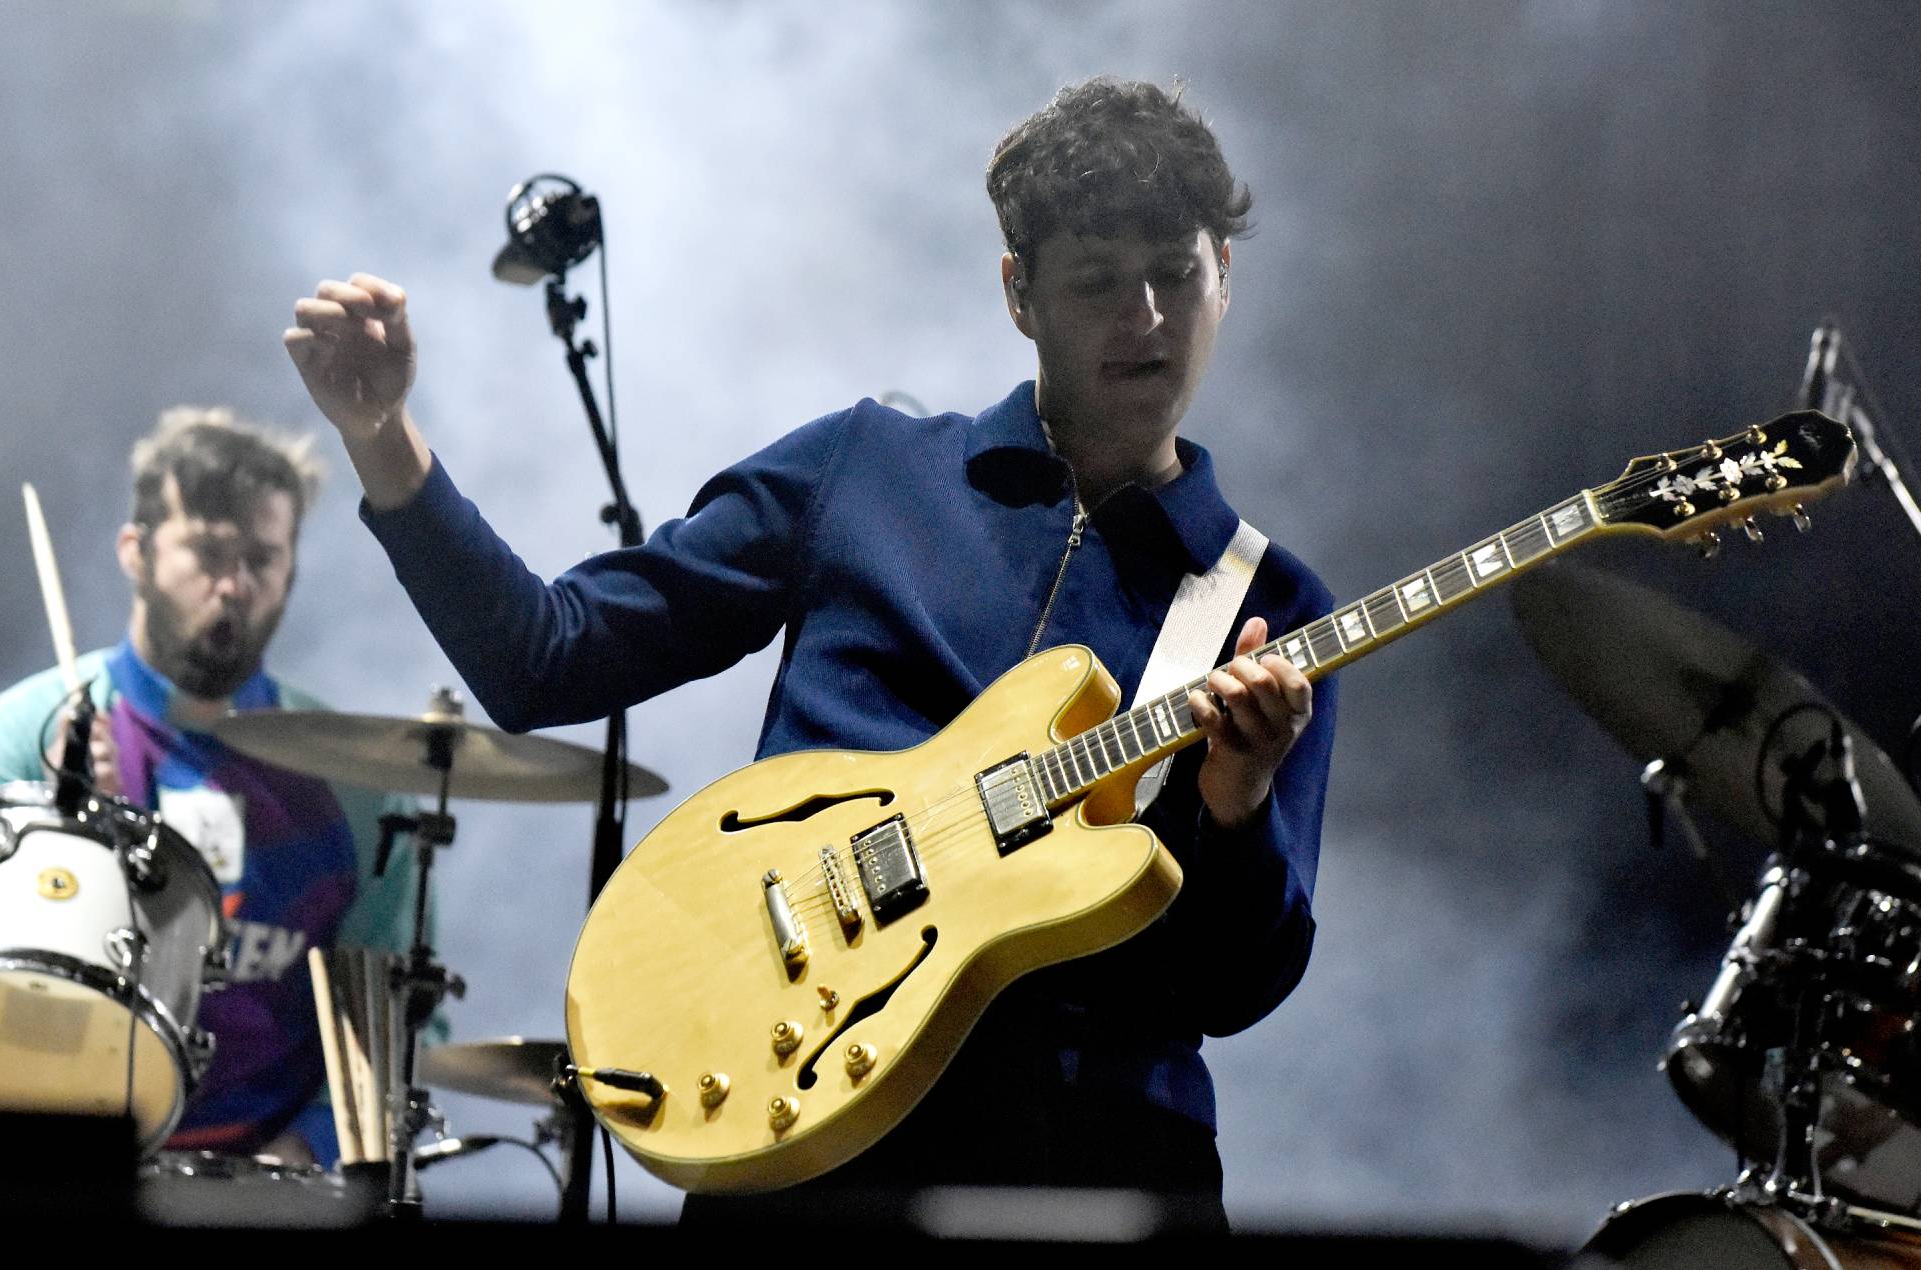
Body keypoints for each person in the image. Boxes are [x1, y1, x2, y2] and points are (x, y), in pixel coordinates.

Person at [285, 77, 1335, 1228]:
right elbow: (549, 656)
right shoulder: (864, 468)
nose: (1143, 317)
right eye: (1094, 281)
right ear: (1018, 294)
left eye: (1175, 275)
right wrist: (382, 438)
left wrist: (1235, 809)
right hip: (809, 1135)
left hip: (1105, 1158)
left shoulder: (1264, 604)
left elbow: (1235, 989)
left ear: (1223, 277)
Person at [0, 408, 428, 1166]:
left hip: (273, 1185)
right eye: (208, 552)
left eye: (262, 557)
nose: (233, 585)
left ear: (292, 569)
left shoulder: (358, 786)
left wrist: (301, 1157)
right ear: (136, 552)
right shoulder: (21, 736)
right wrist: (63, 827)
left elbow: (390, 1026)